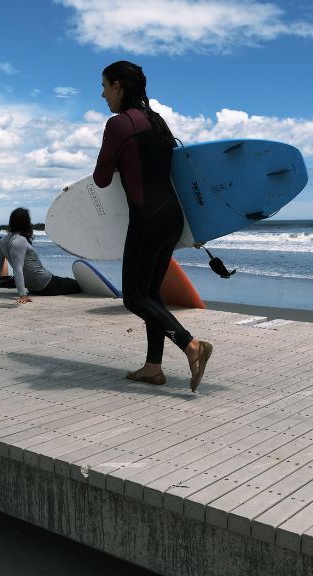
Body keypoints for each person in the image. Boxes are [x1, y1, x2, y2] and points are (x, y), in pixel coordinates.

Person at [93, 60, 212, 392]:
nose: (102, 94)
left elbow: (101, 179)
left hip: (146, 220)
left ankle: (191, 345)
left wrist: (116, 159)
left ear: (119, 86)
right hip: (172, 218)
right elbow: (178, 177)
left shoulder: (119, 124)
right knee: (152, 296)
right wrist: (196, 229)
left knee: (133, 297)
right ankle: (152, 368)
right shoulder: (158, 122)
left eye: (104, 86)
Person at [0, 207, 81, 304]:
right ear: (26, 223)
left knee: (68, 282)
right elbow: (18, 270)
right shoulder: (20, 241)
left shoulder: (2, 241)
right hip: (46, 284)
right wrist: (22, 294)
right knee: (77, 285)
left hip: (34, 288)